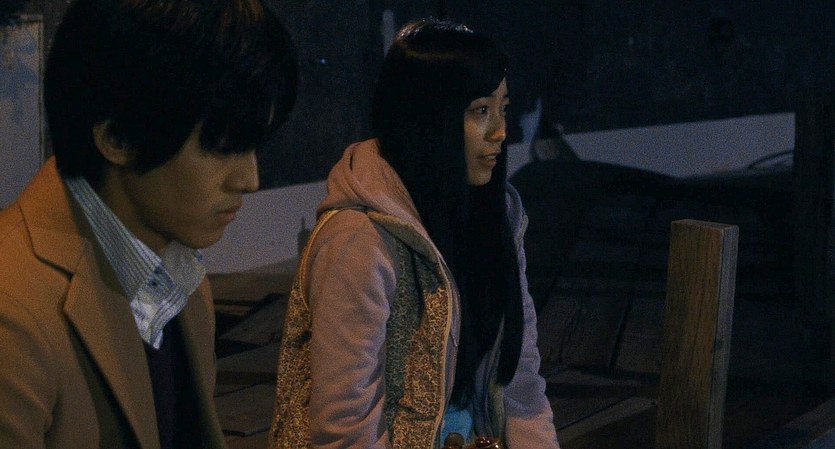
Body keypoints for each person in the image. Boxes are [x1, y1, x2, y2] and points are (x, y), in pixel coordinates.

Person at [0, 0, 296, 447]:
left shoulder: (180, 278)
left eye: (255, 144)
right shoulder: (14, 315)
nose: (249, 179)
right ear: (118, 137)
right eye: (222, 146)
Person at [270, 18, 559, 449]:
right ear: (431, 117)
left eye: (503, 108)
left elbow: (521, 385)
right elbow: (346, 427)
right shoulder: (359, 239)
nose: (501, 131)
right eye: (480, 111)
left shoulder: (494, 217)